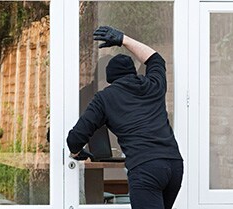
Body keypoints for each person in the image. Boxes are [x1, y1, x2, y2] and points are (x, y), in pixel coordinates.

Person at [66, 26, 183, 209]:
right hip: (174, 165)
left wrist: (76, 153)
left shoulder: (105, 98)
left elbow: (75, 137)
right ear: (133, 72)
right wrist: (123, 39)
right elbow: (155, 59)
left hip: (146, 170)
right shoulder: (153, 85)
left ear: (110, 78)